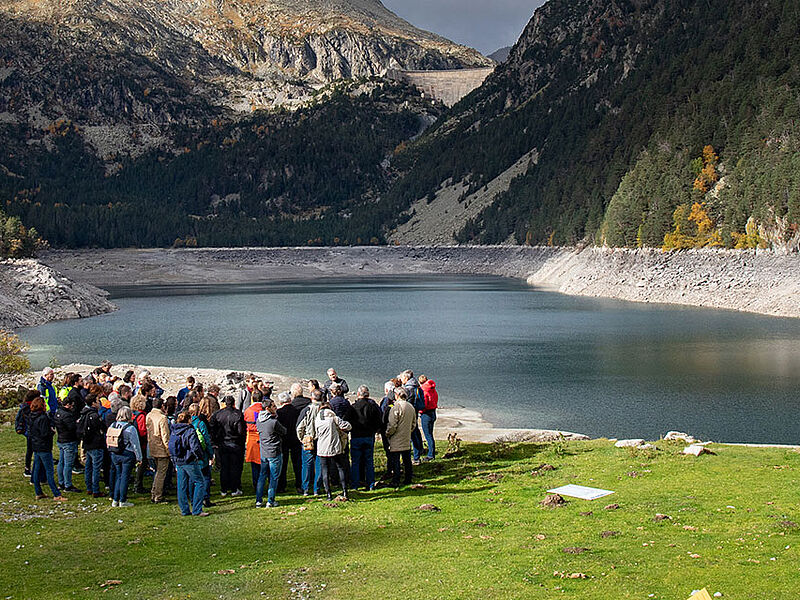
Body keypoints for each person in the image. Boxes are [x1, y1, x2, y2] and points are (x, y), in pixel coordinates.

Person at [169, 412, 209, 517]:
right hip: (189, 460)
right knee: (199, 482)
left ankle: (184, 510)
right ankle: (197, 509)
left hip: (178, 460)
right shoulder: (190, 431)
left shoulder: (174, 430)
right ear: (189, 420)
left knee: (181, 485)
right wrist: (200, 457)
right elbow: (195, 447)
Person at [28, 397, 65, 501]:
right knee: (49, 470)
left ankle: (38, 492)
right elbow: (44, 433)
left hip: (36, 445)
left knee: (36, 469)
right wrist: (51, 432)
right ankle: (56, 494)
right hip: (44, 447)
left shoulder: (31, 416)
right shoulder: (43, 418)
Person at [314, 401, 352, 501]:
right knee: (340, 468)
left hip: (322, 448)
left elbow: (316, 434)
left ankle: (328, 494)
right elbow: (347, 426)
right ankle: (345, 491)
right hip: (335, 447)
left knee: (325, 470)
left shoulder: (317, 419)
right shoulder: (334, 418)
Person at [209, 395, 246, 497]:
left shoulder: (218, 414)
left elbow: (213, 429)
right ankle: (234, 488)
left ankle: (224, 489)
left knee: (224, 466)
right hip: (235, 442)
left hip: (223, 443)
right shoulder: (238, 414)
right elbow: (241, 431)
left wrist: (215, 441)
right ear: (233, 403)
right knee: (235, 466)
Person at [107, 406, 142, 507]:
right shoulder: (130, 428)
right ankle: (122, 500)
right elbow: (135, 445)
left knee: (118, 476)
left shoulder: (113, 425)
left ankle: (115, 499)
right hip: (127, 454)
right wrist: (139, 458)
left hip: (115, 453)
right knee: (125, 477)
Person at [350, 385, 383, 490]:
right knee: (369, 461)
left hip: (356, 436)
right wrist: (375, 430)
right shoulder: (372, 406)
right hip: (369, 436)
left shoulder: (353, 407)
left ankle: (355, 484)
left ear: (358, 394)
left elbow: (348, 421)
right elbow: (378, 421)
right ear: (368, 394)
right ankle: (370, 483)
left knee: (355, 462)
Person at [255, 398, 286, 507]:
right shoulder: (273, 422)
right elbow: (284, 431)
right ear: (268, 408)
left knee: (262, 476)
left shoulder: (259, 421)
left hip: (264, 451)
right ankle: (270, 500)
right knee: (274, 477)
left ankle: (258, 500)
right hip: (274, 452)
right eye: (273, 406)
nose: (275, 408)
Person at [77, 393, 107, 497]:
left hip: (87, 443)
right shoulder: (94, 416)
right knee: (96, 468)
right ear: (93, 403)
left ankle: (89, 487)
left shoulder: (84, 413)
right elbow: (101, 427)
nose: (99, 403)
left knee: (88, 467)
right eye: (98, 401)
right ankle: (95, 490)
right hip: (96, 444)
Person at [276, 383, 305, 494]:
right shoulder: (296, 411)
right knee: (297, 463)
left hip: (284, 440)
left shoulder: (279, 413)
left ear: (280, 402)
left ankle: (281, 486)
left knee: (283, 464)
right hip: (295, 439)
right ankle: (299, 484)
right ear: (290, 400)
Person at [386, 387, 416, 488]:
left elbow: (392, 424)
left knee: (396, 460)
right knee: (407, 459)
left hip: (396, 437)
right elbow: (414, 424)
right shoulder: (410, 406)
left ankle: (396, 480)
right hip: (406, 436)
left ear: (397, 395)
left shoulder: (396, 407)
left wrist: (388, 433)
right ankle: (408, 478)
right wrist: (408, 431)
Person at [296, 389, 324, 496]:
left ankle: (306, 488)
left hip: (309, 439)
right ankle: (317, 488)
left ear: (312, 398)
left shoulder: (307, 409)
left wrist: (301, 439)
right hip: (321, 439)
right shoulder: (325, 409)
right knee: (319, 464)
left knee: (306, 465)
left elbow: (299, 427)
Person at [187, 403, 214, 507]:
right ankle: (205, 498)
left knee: (192, 478)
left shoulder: (187, 423)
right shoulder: (200, 424)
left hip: (190, 453)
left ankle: (192, 498)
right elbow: (206, 440)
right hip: (201, 453)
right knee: (205, 476)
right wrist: (211, 454)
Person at [146, 397, 171, 503]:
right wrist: (169, 450)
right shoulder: (162, 418)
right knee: (161, 473)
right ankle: (158, 495)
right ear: (162, 406)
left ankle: (154, 492)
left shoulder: (149, 415)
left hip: (152, 446)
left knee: (157, 472)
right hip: (161, 448)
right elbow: (165, 436)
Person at [53, 395, 81, 492]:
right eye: (72, 405)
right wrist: (77, 423)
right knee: (68, 464)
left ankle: (61, 482)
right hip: (68, 441)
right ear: (68, 405)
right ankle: (67, 484)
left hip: (61, 440)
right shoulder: (67, 415)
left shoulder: (58, 413)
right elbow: (72, 428)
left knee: (61, 462)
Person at [400, 370, 425, 464]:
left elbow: (407, 401)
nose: (401, 379)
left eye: (402, 378)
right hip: (415, 410)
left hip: (410, 412)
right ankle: (420, 450)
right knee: (416, 431)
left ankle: (416, 457)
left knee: (412, 434)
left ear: (406, 378)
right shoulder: (416, 385)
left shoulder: (409, 388)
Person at [243, 390, 265, 491]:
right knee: (266, 462)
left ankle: (256, 484)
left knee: (254, 464)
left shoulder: (248, 411)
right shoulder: (265, 409)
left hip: (252, 438)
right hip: (264, 437)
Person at [15, 389, 37, 477]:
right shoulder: (27, 408)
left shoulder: (25, 407)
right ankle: (28, 469)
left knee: (30, 450)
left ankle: (28, 468)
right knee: (31, 450)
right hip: (30, 431)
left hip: (29, 431)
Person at [130, 395, 150, 494]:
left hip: (134, 442)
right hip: (141, 443)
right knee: (142, 463)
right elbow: (142, 431)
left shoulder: (132, 414)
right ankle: (138, 485)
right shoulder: (141, 416)